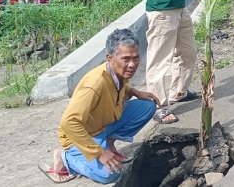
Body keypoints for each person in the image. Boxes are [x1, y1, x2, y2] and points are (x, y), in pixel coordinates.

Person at [38, 29, 159, 184]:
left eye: (136, 58)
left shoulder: (119, 73)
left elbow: (119, 89)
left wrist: (135, 91)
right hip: (81, 136)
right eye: (126, 59)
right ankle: (65, 157)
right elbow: (68, 123)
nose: (132, 64)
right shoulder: (94, 84)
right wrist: (99, 153)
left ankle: (108, 143)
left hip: (102, 126)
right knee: (109, 174)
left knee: (147, 106)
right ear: (110, 58)